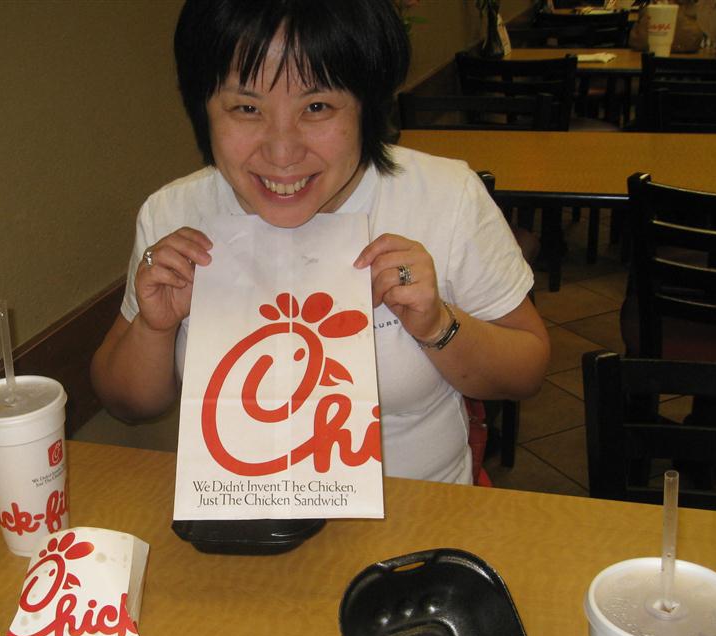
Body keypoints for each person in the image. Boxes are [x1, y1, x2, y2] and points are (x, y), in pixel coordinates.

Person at [91, 0, 550, 484]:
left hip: (422, 511)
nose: (282, 151)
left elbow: (527, 371)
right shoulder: (173, 213)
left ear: (366, 105)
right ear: (202, 108)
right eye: (246, 108)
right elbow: (126, 404)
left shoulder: (444, 197)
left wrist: (438, 324)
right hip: (242, 517)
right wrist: (155, 328)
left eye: (317, 107)